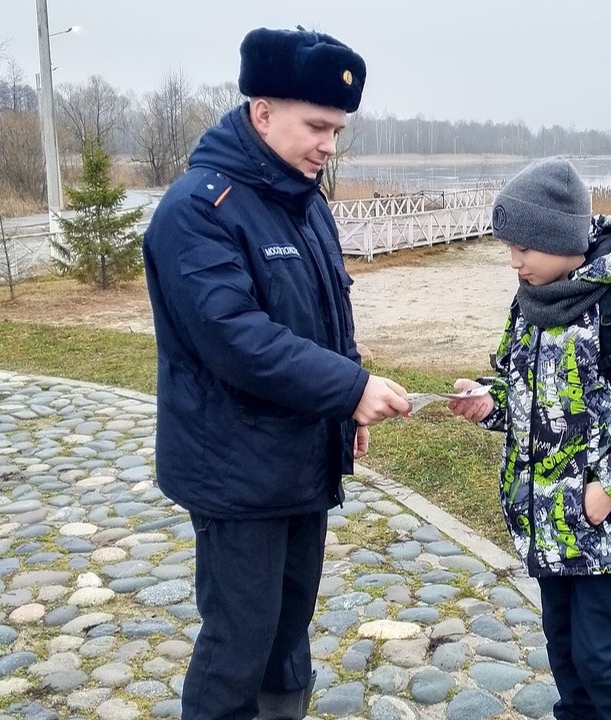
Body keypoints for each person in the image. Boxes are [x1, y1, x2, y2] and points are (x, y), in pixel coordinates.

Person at [143, 26, 411, 720]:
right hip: (233, 471)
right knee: (239, 645)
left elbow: (327, 319)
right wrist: (351, 389)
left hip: (300, 461)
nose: (329, 144)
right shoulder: (196, 211)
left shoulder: (304, 198)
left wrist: (343, 404)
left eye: (337, 129)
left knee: (289, 639)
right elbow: (239, 341)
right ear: (262, 112)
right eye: (317, 125)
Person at [449, 157, 611, 720]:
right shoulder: (528, 307)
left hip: (607, 525)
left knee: (600, 660)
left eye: (525, 248)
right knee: (564, 655)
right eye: (508, 247)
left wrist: (606, 491)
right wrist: (488, 402)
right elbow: (529, 402)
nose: (514, 260)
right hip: (547, 522)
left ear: (564, 239)